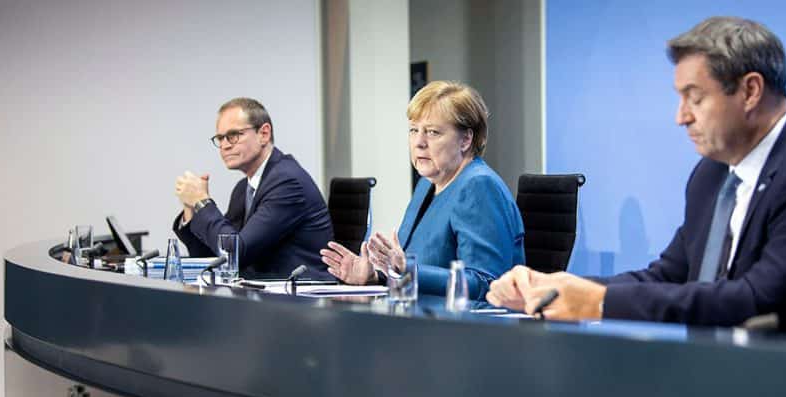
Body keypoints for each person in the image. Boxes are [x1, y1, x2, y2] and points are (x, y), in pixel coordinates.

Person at [486, 17, 786, 337]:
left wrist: (598, 302)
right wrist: (560, 286)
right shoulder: (712, 174)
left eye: (695, 98)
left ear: (750, 91)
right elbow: (667, 275)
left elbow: (756, 302)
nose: (681, 116)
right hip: (737, 383)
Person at [320, 81, 524, 301]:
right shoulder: (426, 184)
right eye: (414, 130)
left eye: (433, 132)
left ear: (466, 139)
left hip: (469, 329)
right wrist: (376, 276)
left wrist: (405, 268)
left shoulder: (480, 187)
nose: (419, 142)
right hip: (423, 320)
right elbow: (411, 270)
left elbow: (487, 284)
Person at [173, 97, 334, 280]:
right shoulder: (243, 189)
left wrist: (202, 202)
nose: (225, 145)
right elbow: (216, 256)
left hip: (301, 298)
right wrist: (191, 208)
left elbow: (236, 254)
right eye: (220, 138)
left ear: (263, 134)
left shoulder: (287, 182)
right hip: (264, 296)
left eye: (233, 135)